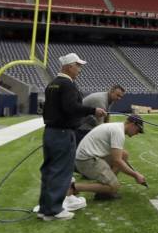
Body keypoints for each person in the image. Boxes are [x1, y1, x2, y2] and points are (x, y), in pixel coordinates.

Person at [36, 53, 106, 221]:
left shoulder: (52, 84)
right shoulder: (67, 84)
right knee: (61, 171)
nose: (80, 69)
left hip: (50, 132)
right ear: (68, 66)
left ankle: (45, 209)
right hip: (62, 133)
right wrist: (92, 110)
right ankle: (54, 210)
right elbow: (71, 107)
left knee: (49, 171)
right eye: (78, 65)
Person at [74, 114, 147, 200]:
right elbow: (117, 161)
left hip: (88, 157)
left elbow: (118, 157)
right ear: (133, 124)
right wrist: (135, 175)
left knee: (124, 154)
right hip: (86, 161)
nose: (137, 133)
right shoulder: (118, 132)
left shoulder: (117, 127)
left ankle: (104, 192)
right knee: (114, 187)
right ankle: (74, 188)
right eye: (138, 130)